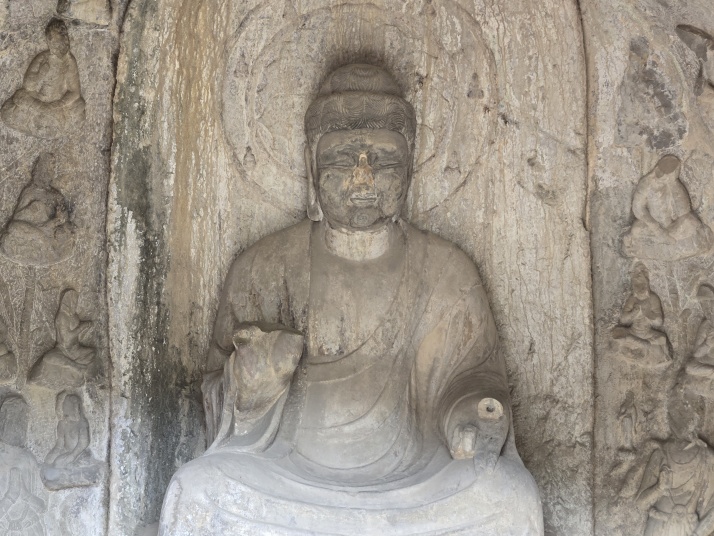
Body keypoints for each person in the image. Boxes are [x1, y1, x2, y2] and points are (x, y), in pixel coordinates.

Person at [159, 64, 542, 535]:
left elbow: (472, 379)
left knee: (510, 495)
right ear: (311, 167)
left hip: (413, 486)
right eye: (343, 160)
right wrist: (253, 383)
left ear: (410, 169)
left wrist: (470, 420)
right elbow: (217, 395)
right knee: (197, 488)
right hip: (286, 480)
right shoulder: (264, 266)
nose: (363, 177)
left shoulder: (446, 270)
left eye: (383, 160)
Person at [636, 391, 714, 536]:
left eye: (686, 409)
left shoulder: (707, 458)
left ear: (698, 416)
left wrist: (699, 533)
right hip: (658, 528)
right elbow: (641, 503)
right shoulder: (661, 454)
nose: (679, 417)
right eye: (674, 410)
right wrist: (659, 489)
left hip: (690, 529)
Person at [0, 18, 85, 139]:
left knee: (79, 106)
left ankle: (47, 118)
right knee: (19, 98)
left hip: (57, 103)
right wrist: (41, 74)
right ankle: (43, 115)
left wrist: (57, 104)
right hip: (37, 100)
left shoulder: (70, 62)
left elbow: (75, 92)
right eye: (56, 41)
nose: (63, 43)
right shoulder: (43, 58)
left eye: (65, 39)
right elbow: (28, 86)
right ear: (49, 41)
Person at [622, 155, 713, 260]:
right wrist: (657, 229)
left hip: (673, 227)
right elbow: (638, 209)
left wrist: (674, 185)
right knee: (636, 230)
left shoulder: (673, 183)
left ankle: (660, 247)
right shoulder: (646, 184)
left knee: (692, 223)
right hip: (653, 226)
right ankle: (662, 247)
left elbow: (684, 212)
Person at [0, 153, 75, 266]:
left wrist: (59, 218)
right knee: (13, 227)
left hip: (49, 231)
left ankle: (44, 243)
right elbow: (17, 219)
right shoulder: (30, 192)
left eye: (52, 169)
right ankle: (42, 241)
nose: (50, 172)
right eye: (47, 168)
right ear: (39, 169)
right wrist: (31, 210)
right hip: (32, 229)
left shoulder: (56, 195)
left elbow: (64, 219)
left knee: (64, 235)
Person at [612, 263, 671, 366]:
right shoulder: (632, 299)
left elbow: (659, 322)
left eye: (641, 284)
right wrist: (633, 313)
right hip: (632, 331)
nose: (639, 288)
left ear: (647, 283)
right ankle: (643, 344)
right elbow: (623, 320)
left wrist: (649, 314)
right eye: (636, 285)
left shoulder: (653, 298)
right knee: (616, 332)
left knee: (662, 338)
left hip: (647, 333)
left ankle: (639, 343)